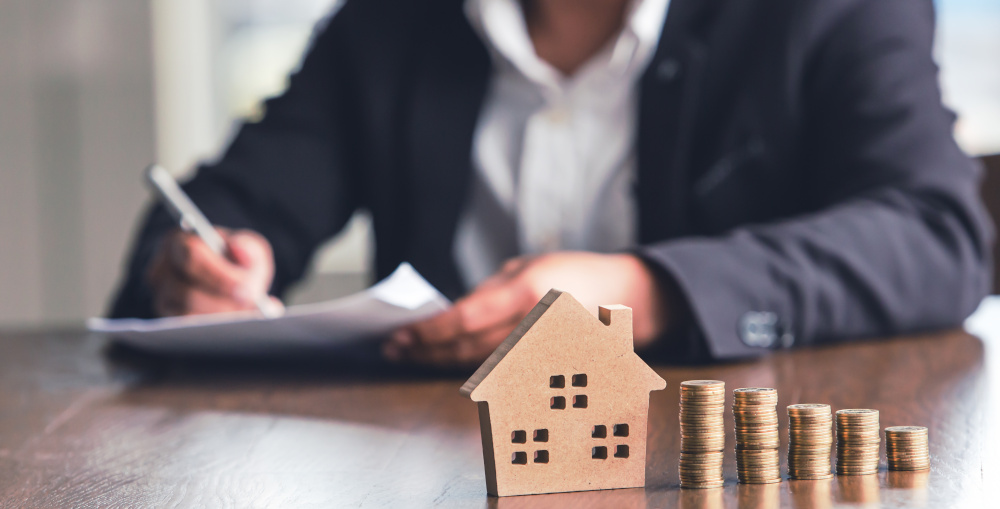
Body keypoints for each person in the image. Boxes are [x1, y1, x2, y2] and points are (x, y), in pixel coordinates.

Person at [110, 0, 992, 368]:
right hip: (447, 465)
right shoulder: (388, 24)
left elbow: (937, 236)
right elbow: (226, 206)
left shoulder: (830, 11)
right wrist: (194, 265)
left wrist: (653, 289)